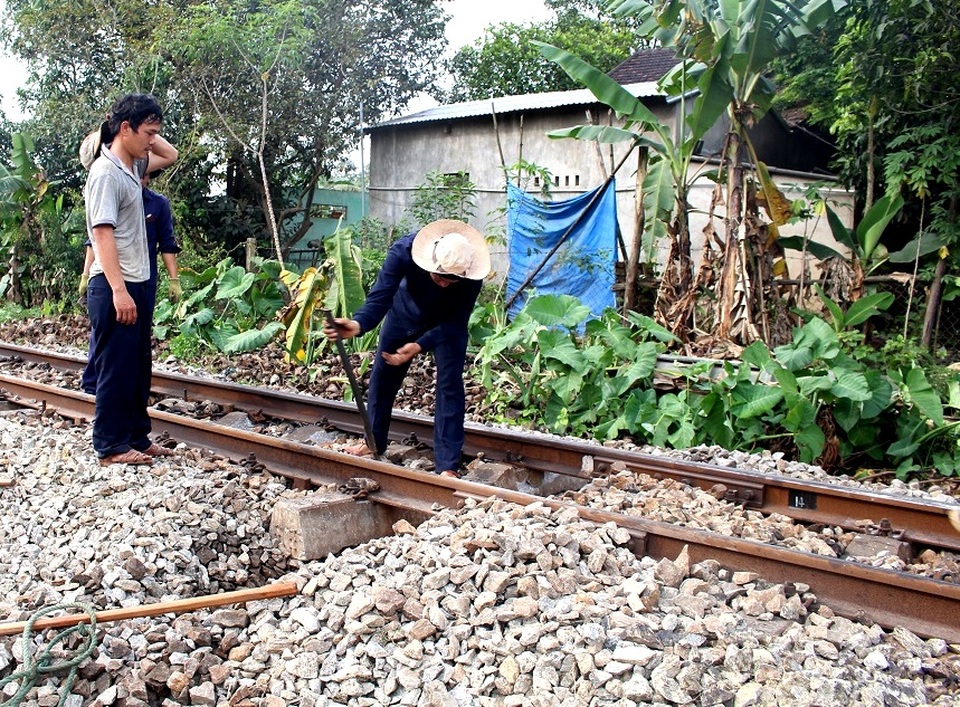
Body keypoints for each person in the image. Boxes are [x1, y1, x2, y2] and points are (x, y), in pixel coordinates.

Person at [324, 219, 491, 478]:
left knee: (450, 386)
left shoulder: (469, 271)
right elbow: (381, 296)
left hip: (447, 326)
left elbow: (456, 322)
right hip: (404, 314)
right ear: (430, 261)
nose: (444, 284)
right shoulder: (404, 251)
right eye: (440, 277)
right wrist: (358, 324)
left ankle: (447, 465)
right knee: (383, 376)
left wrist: (419, 345)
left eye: (452, 281)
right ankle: (373, 443)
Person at [83, 93, 176, 466]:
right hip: (113, 284)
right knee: (116, 368)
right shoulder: (106, 173)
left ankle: (136, 437)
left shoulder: (132, 167)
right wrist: (119, 291)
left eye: (155, 132)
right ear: (125, 128)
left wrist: (147, 125)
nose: (153, 141)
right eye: (148, 132)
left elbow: (170, 154)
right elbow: (101, 233)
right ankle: (110, 446)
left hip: (137, 282)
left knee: (137, 367)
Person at [79, 168, 181, 394]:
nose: (140, 179)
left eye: (145, 175)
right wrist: (86, 275)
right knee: (104, 330)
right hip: (110, 275)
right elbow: (96, 239)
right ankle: (93, 383)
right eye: (137, 173)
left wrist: (174, 280)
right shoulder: (114, 192)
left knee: (139, 333)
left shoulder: (158, 204)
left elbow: (167, 244)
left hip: (144, 278)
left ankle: (130, 388)